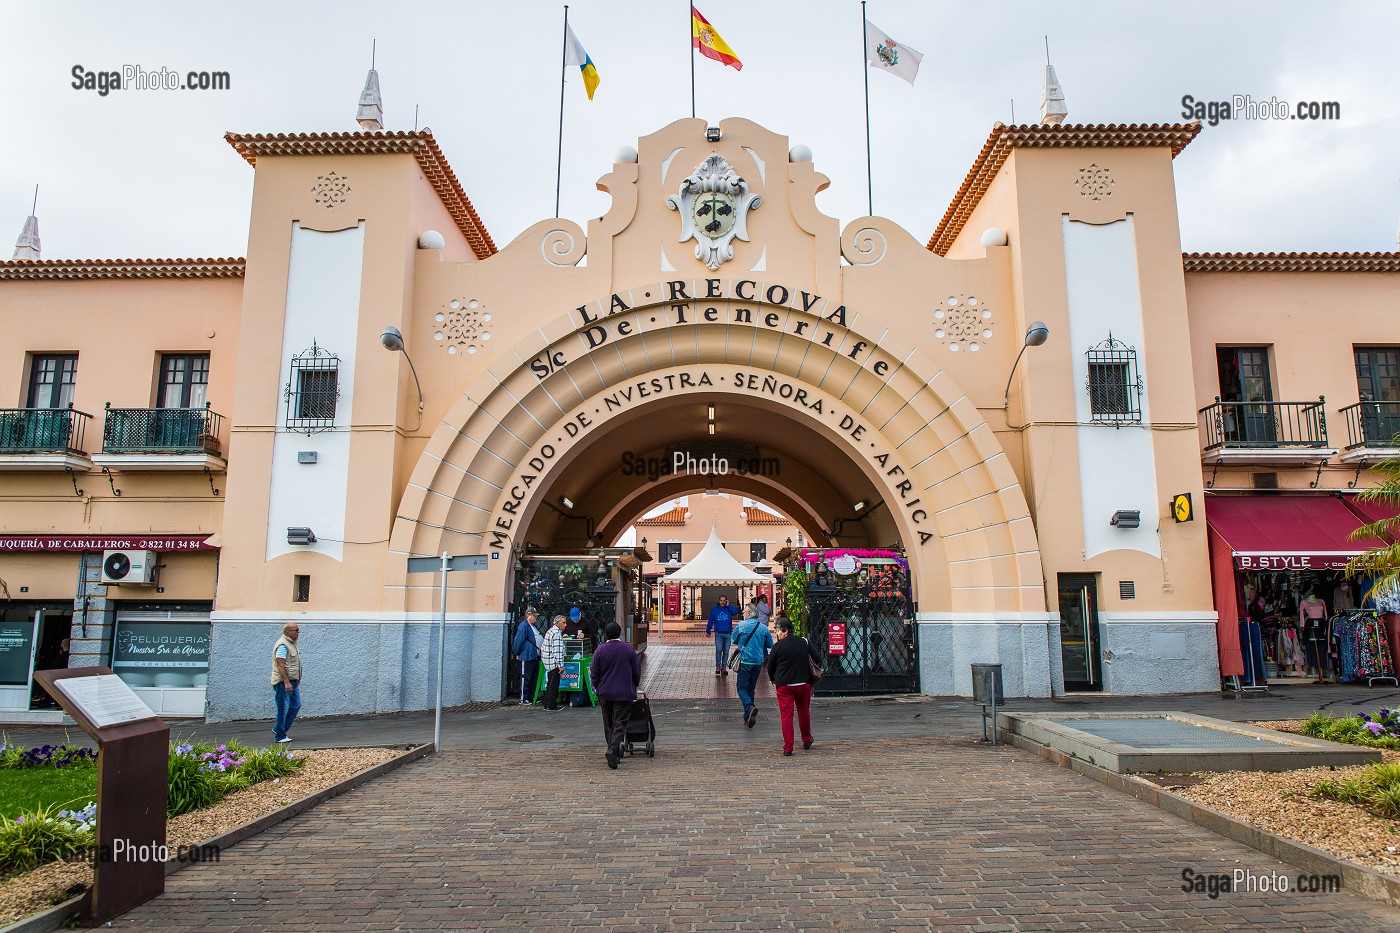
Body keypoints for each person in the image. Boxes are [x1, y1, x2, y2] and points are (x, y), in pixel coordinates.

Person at [589, 621, 641, 769]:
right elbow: (636, 671)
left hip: (605, 692)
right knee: (620, 722)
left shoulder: (600, 650)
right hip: (623, 692)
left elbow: (594, 673)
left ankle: (612, 750)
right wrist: (634, 684)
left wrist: (598, 687)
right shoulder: (628, 650)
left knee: (608, 723)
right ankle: (613, 749)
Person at [765, 618, 818, 756]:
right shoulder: (803, 642)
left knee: (786, 716)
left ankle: (788, 747)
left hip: (784, 685)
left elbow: (770, 666)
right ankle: (806, 739)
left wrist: (772, 678)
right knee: (804, 711)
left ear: (785, 630)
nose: (777, 634)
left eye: (778, 630)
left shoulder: (778, 646)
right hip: (803, 683)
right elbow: (817, 658)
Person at [731, 604, 774, 727]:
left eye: (744, 612)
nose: (743, 614)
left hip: (745, 661)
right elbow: (770, 644)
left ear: (749, 614)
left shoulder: (741, 625)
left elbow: (733, 640)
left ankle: (749, 708)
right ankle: (747, 716)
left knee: (741, 688)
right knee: (751, 689)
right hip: (758, 662)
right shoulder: (763, 628)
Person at [271, 622, 302, 744]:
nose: (298, 632)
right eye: (296, 630)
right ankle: (280, 736)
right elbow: (280, 665)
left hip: (292, 681)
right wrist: (286, 682)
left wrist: (296, 677)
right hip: (283, 683)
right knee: (283, 708)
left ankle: (278, 728)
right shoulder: (283, 645)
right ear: (289, 632)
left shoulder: (292, 643)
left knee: (296, 705)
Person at [510, 608, 542, 704]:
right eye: (534, 616)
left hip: (533, 656)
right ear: (529, 616)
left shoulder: (532, 626)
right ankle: (524, 698)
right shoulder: (524, 626)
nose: (536, 618)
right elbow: (518, 640)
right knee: (526, 677)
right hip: (526, 655)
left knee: (533, 677)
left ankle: (531, 697)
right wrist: (516, 652)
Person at [540, 614, 568, 711]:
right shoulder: (556, 634)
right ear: (557, 623)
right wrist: (560, 666)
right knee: (554, 685)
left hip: (548, 662)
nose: (565, 625)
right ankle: (551, 705)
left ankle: (547, 704)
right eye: (563, 623)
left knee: (550, 684)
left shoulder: (550, 631)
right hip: (554, 663)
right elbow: (557, 651)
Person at [706, 594, 739, 677]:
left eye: (724, 600)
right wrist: (708, 630)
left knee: (726, 651)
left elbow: (736, 611)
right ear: (718, 601)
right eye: (721, 600)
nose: (722, 602)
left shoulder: (728, 609)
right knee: (719, 650)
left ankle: (724, 668)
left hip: (728, 633)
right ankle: (718, 666)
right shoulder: (714, 610)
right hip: (719, 634)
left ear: (726, 601)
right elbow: (710, 620)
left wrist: (729, 605)